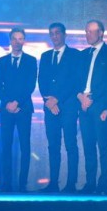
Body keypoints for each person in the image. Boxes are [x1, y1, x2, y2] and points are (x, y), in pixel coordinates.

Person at [77, 20, 107, 194]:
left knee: (103, 145)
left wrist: (105, 106)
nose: (88, 34)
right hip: (83, 104)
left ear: (101, 33)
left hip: (100, 105)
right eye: (86, 31)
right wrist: (81, 96)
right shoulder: (83, 54)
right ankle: (90, 183)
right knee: (88, 145)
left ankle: (103, 184)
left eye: (91, 31)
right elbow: (76, 80)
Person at [38, 22, 81, 193]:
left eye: (57, 33)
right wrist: (48, 100)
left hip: (68, 106)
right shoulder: (45, 56)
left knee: (70, 144)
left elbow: (75, 81)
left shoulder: (75, 55)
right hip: (50, 108)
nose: (54, 36)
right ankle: (53, 183)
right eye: (52, 33)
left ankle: (71, 184)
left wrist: (57, 99)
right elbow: (41, 80)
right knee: (53, 145)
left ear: (64, 34)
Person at [0, 28, 38, 192]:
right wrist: (7, 102)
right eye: (15, 38)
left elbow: (30, 85)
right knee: (6, 146)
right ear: (10, 40)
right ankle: (6, 183)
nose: (17, 41)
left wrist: (17, 103)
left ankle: (22, 184)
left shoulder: (31, 61)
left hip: (24, 109)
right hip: (6, 110)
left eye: (21, 38)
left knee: (25, 147)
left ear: (24, 40)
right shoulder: (2, 61)